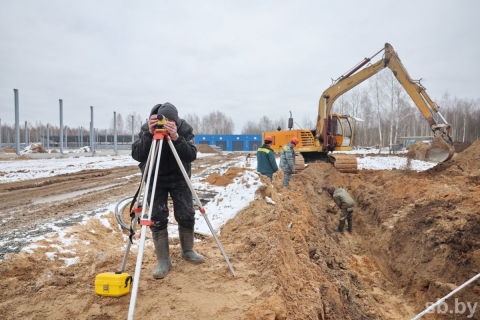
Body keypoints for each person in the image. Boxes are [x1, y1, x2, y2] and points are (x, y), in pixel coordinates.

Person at [132, 102, 205, 279]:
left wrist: (176, 137)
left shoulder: (184, 129)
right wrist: (149, 135)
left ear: (176, 120)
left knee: (186, 213)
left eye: (170, 120)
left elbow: (191, 155)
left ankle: (188, 250)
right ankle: (163, 260)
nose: (165, 123)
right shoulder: (146, 129)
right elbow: (137, 155)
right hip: (155, 178)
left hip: (180, 178)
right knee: (157, 217)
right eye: (163, 120)